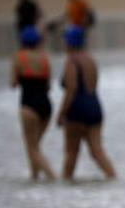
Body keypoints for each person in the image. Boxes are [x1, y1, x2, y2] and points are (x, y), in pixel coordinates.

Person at [58, 26, 116, 181]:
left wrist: (61, 114)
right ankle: (113, 178)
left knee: (71, 153)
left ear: (70, 42)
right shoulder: (91, 60)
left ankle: (64, 187)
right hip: (94, 106)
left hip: (77, 108)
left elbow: (71, 90)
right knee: (97, 152)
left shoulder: (71, 61)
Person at [10, 27, 57, 182]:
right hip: (46, 106)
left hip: (29, 106)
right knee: (35, 146)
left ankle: (53, 177)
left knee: (32, 148)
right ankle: (34, 178)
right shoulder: (44, 58)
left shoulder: (20, 57)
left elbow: (13, 83)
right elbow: (48, 86)